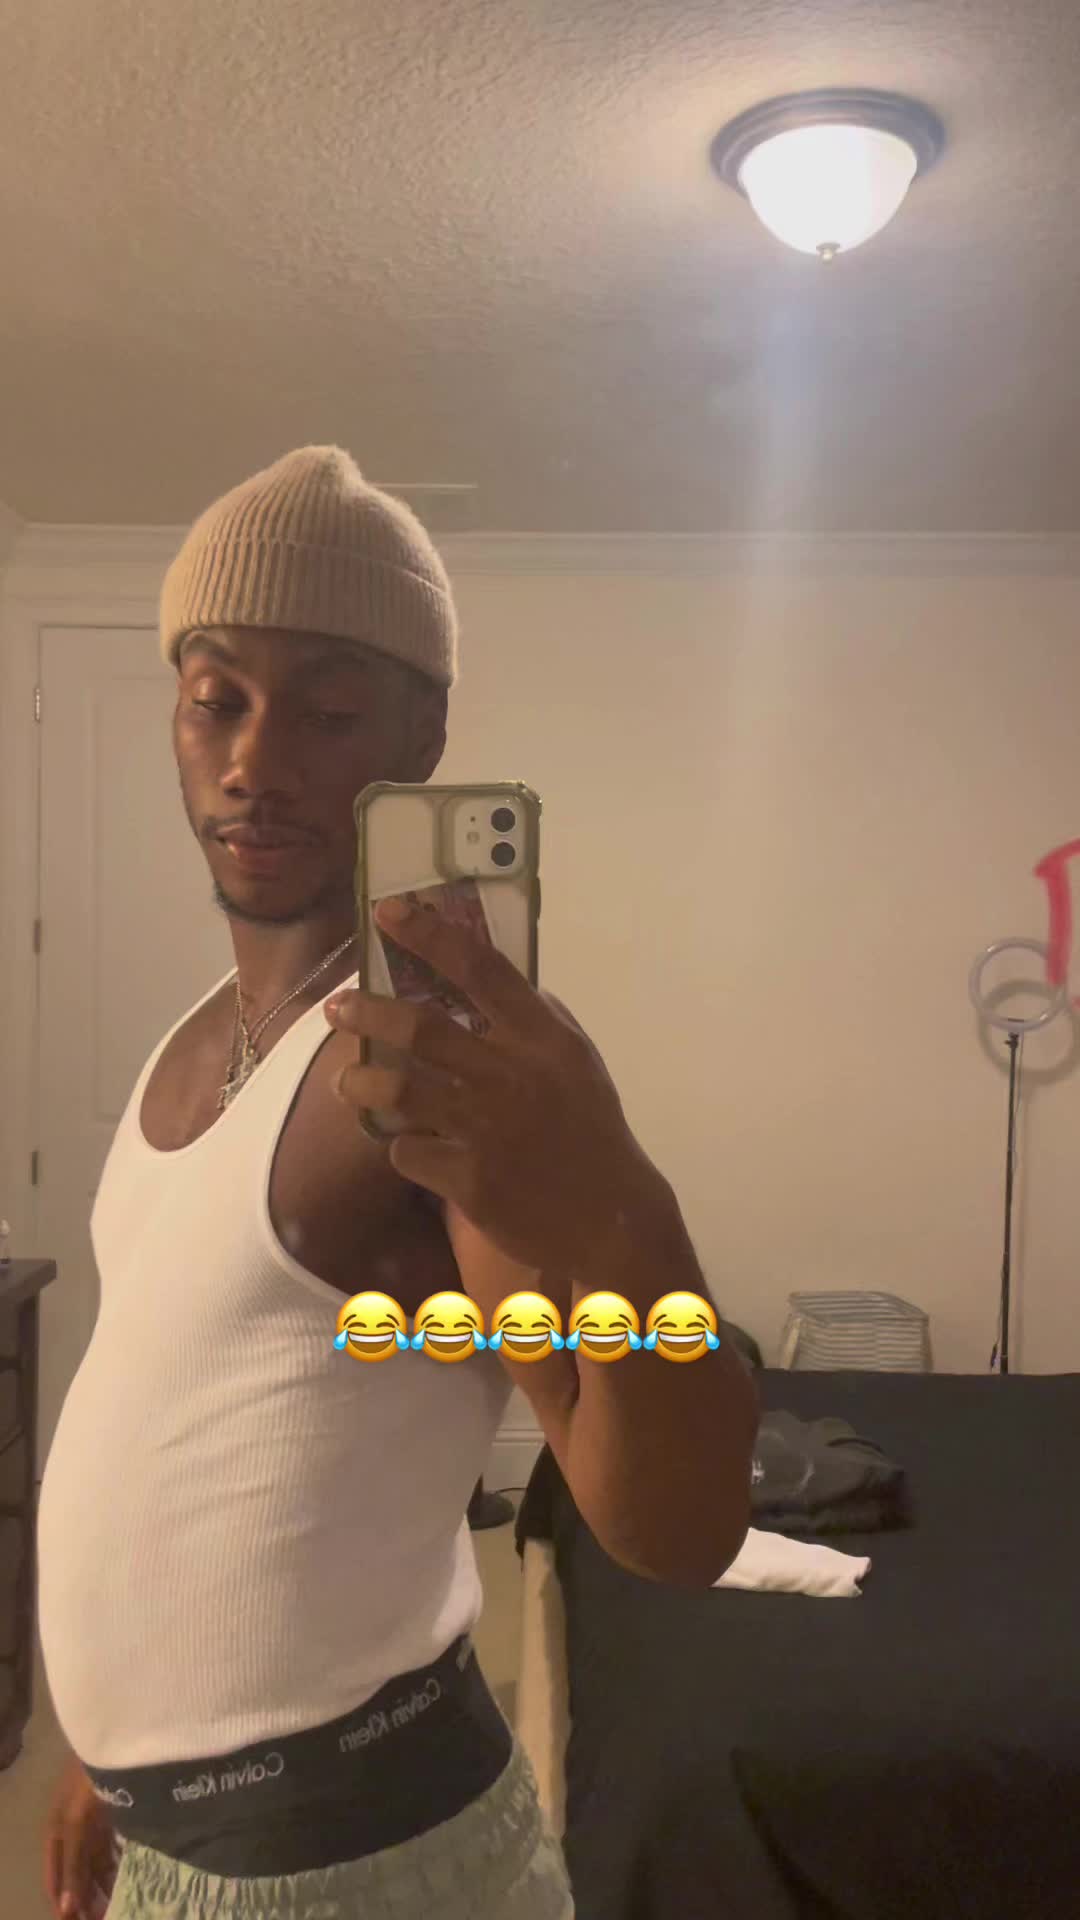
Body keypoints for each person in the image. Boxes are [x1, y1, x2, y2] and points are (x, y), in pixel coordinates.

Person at [37, 446, 757, 1919]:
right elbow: (180, 1418)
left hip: (357, 1874)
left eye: (329, 709)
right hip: (183, 1848)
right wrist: (107, 1757)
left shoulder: (438, 1072)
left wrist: (620, 1206)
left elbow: (671, 1525)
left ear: (423, 736)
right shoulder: (195, 1039)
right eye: (217, 699)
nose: (255, 759)